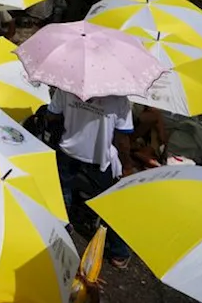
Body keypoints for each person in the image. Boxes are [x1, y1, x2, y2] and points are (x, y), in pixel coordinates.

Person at [46, 88, 135, 267]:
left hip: (68, 151)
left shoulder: (66, 86)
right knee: (108, 205)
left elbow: (52, 115)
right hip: (98, 159)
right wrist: (127, 165)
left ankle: (60, 230)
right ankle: (118, 252)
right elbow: (122, 138)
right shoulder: (119, 98)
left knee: (63, 194)